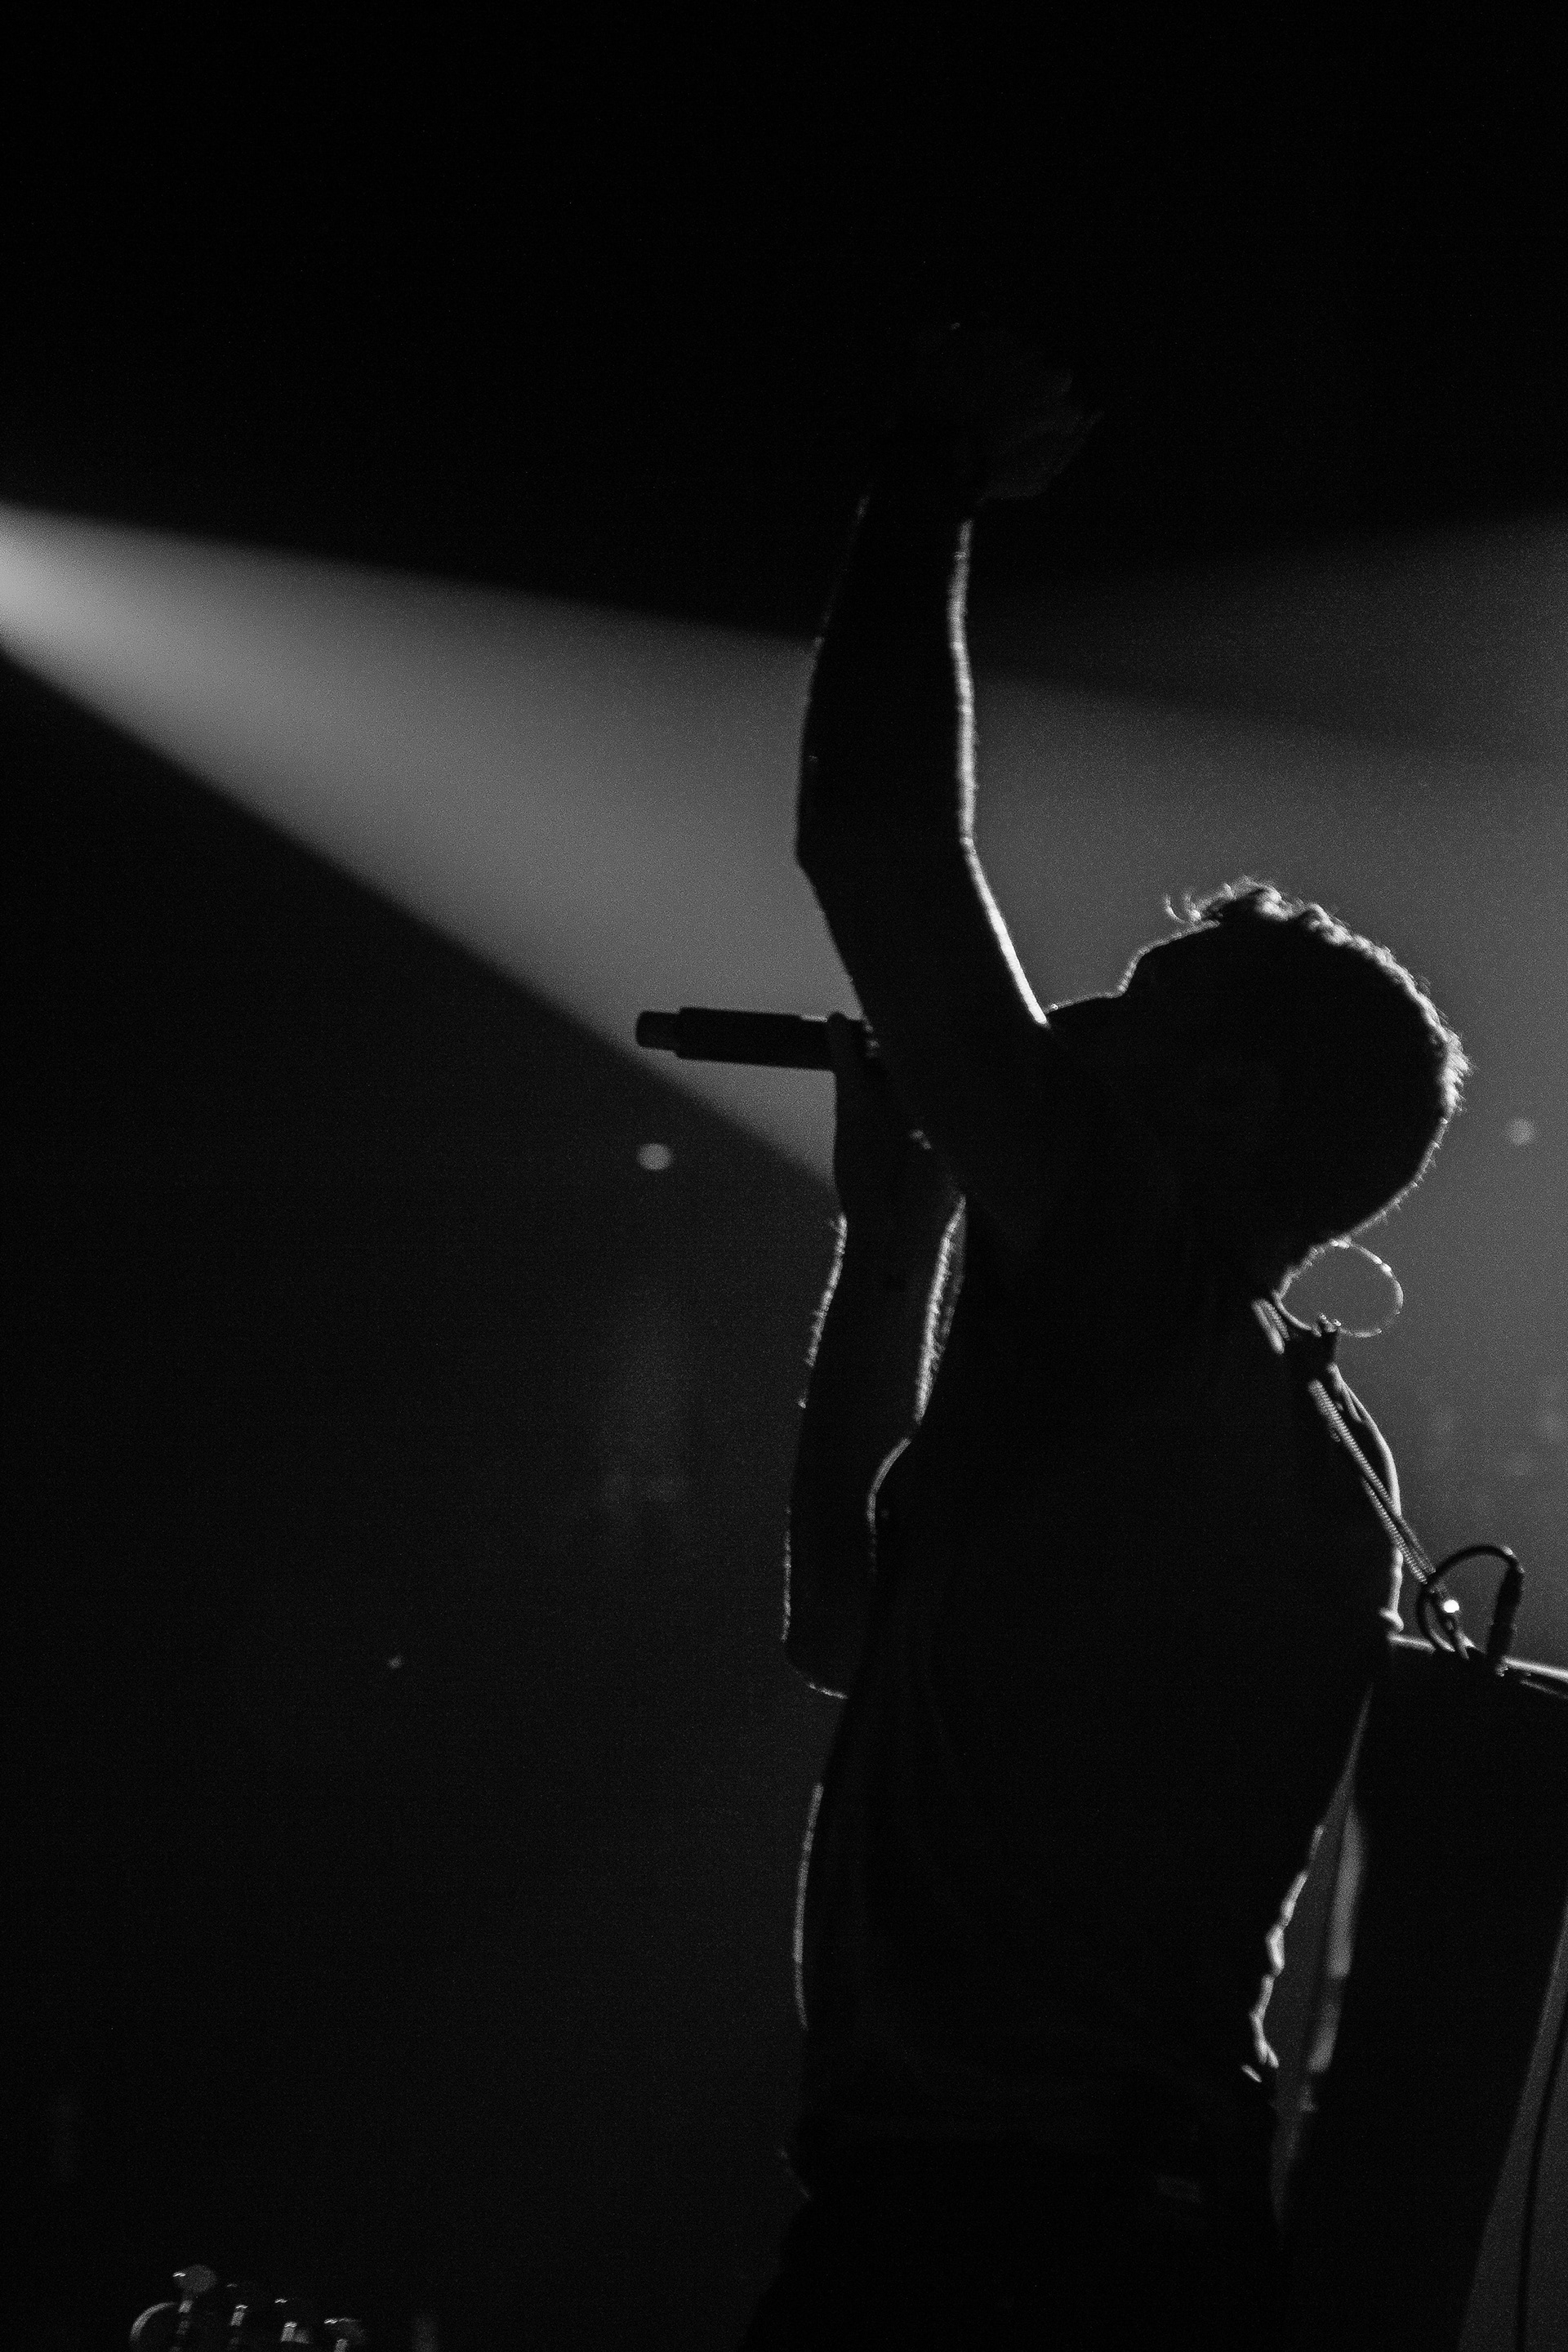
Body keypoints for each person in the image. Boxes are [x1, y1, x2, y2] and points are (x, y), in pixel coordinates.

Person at [741, 327, 1468, 2350]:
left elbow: (879, 853)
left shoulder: (1146, 1316)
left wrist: (921, 491)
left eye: (1133, 1002)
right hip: (1040, 2222)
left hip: (1009, 2249)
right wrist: (892, 1240)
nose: (1064, 1027)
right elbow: (842, 1626)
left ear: (1222, 1106)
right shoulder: (1219, 1401)